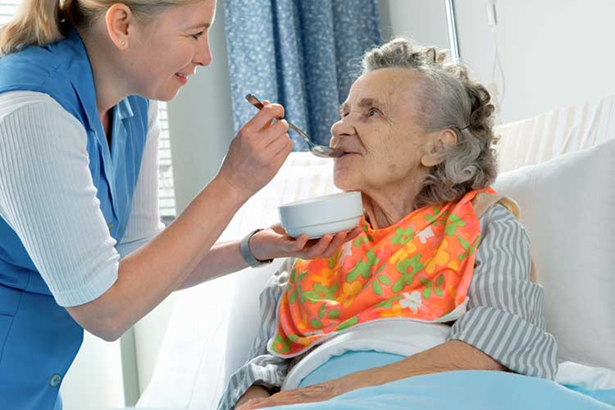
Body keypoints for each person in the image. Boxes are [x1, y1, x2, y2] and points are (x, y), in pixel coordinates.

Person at [0, 1, 361, 409]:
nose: (206, 56)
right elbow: (106, 311)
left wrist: (253, 247)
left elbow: (139, 259)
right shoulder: (30, 112)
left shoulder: (134, 101)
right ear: (121, 25)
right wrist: (233, 183)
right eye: (193, 34)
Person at [217, 38, 558, 410]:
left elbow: (494, 350)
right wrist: (251, 401)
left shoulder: (484, 223)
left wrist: (327, 394)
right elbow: (263, 364)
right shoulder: (312, 244)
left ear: (437, 147)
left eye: (372, 113)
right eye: (345, 113)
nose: (339, 127)